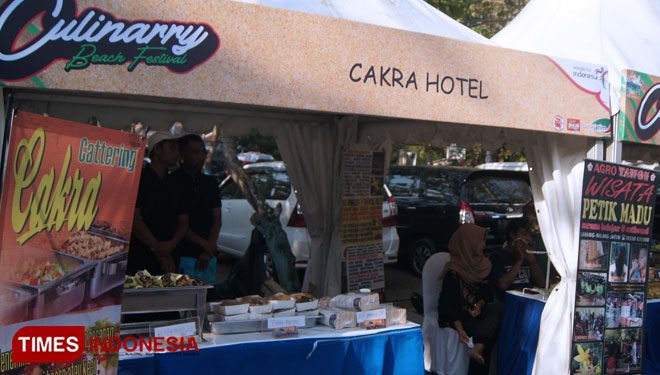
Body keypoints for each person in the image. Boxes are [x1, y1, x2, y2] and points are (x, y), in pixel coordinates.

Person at [437, 224, 503, 375]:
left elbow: (487, 295)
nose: (483, 245)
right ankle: (479, 352)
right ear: (468, 243)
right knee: (482, 328)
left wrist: (479, 304)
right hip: (456, 315)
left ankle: (478, 347)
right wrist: (459, 328)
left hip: (475, 311)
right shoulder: (454, 272)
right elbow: (449, 306)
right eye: (480, 241)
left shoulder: (484, 266)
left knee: (498, 308)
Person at [128, 131, 189, 275]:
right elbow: (135, 220)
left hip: (171, 254)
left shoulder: (176, 184)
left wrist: (171, 245)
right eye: (172, 148)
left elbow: (184, 221)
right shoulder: (140, 180)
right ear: (157, 149)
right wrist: (160, 251)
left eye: (177, 149)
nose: (176, 154)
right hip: (142, 255)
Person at [171, 134, 222, 277]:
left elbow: (217, 218)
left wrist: (209, 247)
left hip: (207, 253)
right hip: (181, 252)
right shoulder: (173, 182)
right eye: (195, 152)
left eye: (203, 153)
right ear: (182, 154)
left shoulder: (210, 183)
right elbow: (179, 222)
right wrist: (205, 245)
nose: (200, 157)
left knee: (207, 295)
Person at [489, 218, 545, 302]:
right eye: (525, 234)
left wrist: (532, 261)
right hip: (509, 303)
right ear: (512, 235)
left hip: (529, 300)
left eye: (530, 235)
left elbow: (541, 283)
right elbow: (502, 285)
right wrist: (519, 260)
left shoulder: (528, 255)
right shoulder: (497, 256)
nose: (528, 239)